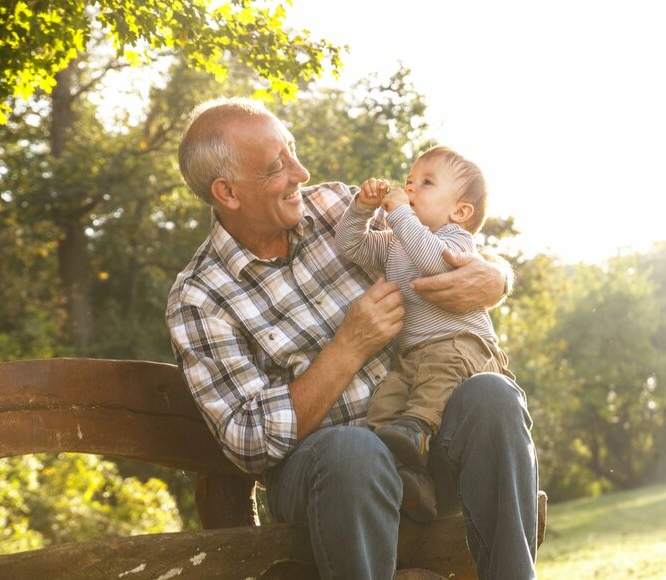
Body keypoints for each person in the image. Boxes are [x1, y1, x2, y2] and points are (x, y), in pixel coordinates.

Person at [166, 96, 538, 580]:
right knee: (352, 450)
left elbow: (444, 241)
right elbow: (248, 441)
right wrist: (347, 348)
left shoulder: (338, 205)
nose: (301, 172)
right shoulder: (199, 299)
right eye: (278, 166)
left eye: (294, 151)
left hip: (425, 454)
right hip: (327, 478)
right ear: (228, 192)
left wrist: (496, 276)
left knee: (492, 393)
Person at [335, 146, 515, 523]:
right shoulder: (396, 240)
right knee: (385, 406)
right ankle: (414, 481)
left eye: (426, 183)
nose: (411, 189)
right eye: (408, 182)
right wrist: (362, 209)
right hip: (411, 356)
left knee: (434, 382)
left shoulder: (456, 240)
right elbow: (350, 245)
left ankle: (416, 430)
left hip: (462, 346)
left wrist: (399, 212)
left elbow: (433, 262)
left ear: (460, 211)